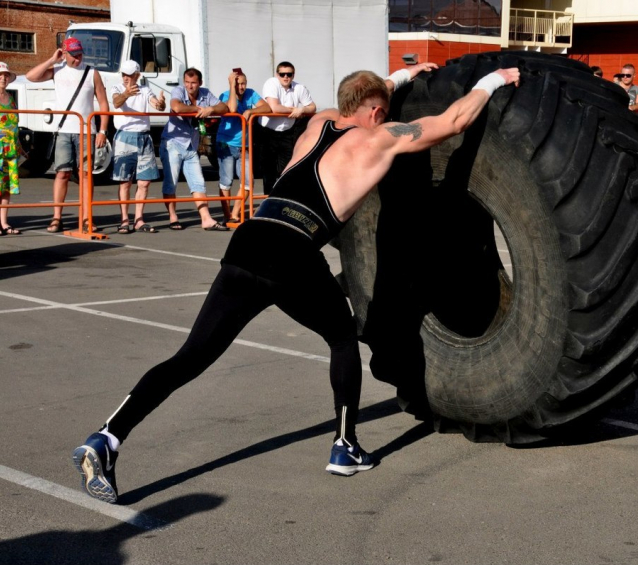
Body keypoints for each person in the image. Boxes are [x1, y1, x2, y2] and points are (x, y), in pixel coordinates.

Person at [71, 60, 519, 504]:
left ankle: (107, 438)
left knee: (191, 355)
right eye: (384, 109)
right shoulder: (378, 139)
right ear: (378, 113)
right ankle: (345, 447)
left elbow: (370, 89)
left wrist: (400, 77)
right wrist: (494, 79)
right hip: (293, 246)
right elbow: (453, 120)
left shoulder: (319, 122)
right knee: (343, 337)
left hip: (251, 239)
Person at [25, 37, 109, 233]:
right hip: (63, 131)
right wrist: (52, 60)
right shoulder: (58, 70)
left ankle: (87, 218)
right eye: (73, 55)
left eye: (80, 55)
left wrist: (103, 130)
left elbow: (103, 103)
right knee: (62, 173)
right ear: (65, 52)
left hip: (86, 130)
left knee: (86, 175)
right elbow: (31, 76)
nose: (78, 59)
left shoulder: (92, 72)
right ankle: (57, 218)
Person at [160, 67, 229, 231]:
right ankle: (173, 217)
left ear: (200, 83)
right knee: (171, 182)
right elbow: (176, 107)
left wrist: (211, 109)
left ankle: (206, 219)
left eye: (193, 83)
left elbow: (224, 108)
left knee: (198, 183)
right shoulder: (178, 90)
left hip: (191, 145)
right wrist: (200, 110)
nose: (190, 86)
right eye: (187, 82)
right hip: (173, 142)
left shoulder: (205, 93)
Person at [111, 60, 166, 233]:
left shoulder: (145, 90)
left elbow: (155, 104)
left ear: (137, 76)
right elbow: (116, 102)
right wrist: (126, 94)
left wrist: (161, 104)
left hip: (143, 137)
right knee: (125, 182)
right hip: (124, 136)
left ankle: (139, 219)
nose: (125, 78)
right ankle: (124, 220)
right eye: (123, 74)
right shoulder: (117, 88)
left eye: (129, 75)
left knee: (144, 182)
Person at [217, 70, 270, 222]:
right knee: (226, 181)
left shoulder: (251, 93)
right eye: (238, 84)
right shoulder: (225, 95)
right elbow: (232, 108)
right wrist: (231, 87)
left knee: (248, 182)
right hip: (225, 144)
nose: (241, 87)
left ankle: (235, 214)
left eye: (243, 84)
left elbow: (267, 108)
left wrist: (250, 111)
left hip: (244, 146)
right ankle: (227, 216)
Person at [259, 61, 316, 194]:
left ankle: (283, 197)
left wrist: (301, 110)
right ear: (277, 75)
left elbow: (312, 107)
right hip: (268, 132)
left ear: (293, 75)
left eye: (289, 74)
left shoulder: (299, 88)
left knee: (287, 168)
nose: (286, 77)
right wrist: (294, 111)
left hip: (287, 132)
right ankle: (268, 200)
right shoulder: (271, 83)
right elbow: (274, 107)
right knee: (268, 170)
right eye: (282, 74)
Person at [0, 61, 21, 235]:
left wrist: (20, 147)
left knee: (6, 188)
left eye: (6, 76)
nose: (3, 78)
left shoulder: (11, 99)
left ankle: (4, 222)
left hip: (10, 148)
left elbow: (15, 125)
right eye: (0, 75)